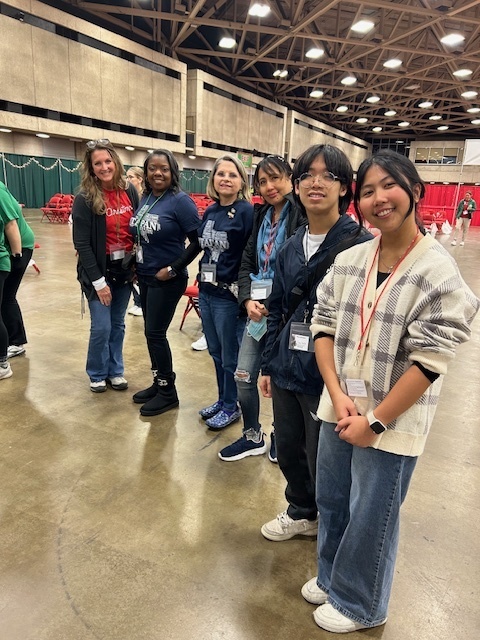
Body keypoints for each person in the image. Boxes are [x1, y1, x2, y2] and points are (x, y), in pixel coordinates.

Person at [303, 150, 479, 633]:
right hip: (340, 406)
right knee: (333, 499)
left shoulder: (437, 271)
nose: (378, 198)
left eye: (389, 186)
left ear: (415, 191)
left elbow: (430, 361)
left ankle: (361, 603)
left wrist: (375, 421)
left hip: (392, 419)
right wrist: (337, 393)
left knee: (371, 513)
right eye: (367, 191)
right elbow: (322, 326)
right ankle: (331, 578)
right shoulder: (350, 259)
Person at [258, 144, 371, 542]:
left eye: (328, 175)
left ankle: (334, 525)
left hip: (330, 376)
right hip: (287, 366)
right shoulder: (291, 245)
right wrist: (268, 364)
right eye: (307, 175)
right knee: (289, 448)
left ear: (344, 188)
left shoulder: (360, 245)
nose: (315, 183)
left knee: (327, 458)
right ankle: (302, 511)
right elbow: (277, 309)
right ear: (296, 185)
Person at [218, 155, 304, 462]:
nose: (269, 187)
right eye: (263, 181)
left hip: (285, 313)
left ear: (290, 179)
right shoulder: (261, 215)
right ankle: (252, 435)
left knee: (280, 382)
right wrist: (246, 299)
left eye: (275, 178)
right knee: (243, 377)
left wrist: (273, 302)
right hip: (256, 310)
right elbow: (246, 262)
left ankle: (283, 435)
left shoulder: (302, 215)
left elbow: (301, 268)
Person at [130, 149, 201, 417]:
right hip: (145, 275)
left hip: (167, 280)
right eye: (152, 168)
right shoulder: (146, 197)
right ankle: (158, 381)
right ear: (146, 172)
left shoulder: (180, 201)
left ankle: (168, 393)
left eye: (164, 169)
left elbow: (198, 241)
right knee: (150, 333)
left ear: (173, 172)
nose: (158, 173)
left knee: (155, 333)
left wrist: (173, 268)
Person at [72, 139, 139, 393]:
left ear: (116, 162)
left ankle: (115, 370)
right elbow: (82, 244)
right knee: (102, 326)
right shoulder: (85, 198)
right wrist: (99, 283)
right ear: (91, 168)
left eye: (108, 161)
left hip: (124, 270)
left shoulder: (129, 191)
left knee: (118, 324)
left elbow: (137, 229)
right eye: (97, 163)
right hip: (98, 272)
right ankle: (97, 372)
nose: (104, 167)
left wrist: (136, 265)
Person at [198, 155, 254, 430]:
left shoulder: (246, 212)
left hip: (228, 296)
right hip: (206, 291)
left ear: (242, 181)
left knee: (230, 356)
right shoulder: (210, 211)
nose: (226, 179)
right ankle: (222, 400)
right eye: (221, 174)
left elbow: (251, 256)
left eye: (232, 175)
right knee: (216, 352)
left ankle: (232, 406)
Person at [0, 181, 35, 359]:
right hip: (12, 247)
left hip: (19, 246)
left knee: (7, 296)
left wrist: (17, 255)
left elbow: (11, 224)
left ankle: (15, 342)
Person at [125, 166, 145, 317]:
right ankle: (137, 301)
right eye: (127, 177)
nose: (128, 180)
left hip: (142, 244)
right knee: (130, 271)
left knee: (139, 272)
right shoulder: (128, 196)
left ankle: (141, 303)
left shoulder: (145, 198)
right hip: (130, 243)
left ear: (140, 179)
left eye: (131, 177)